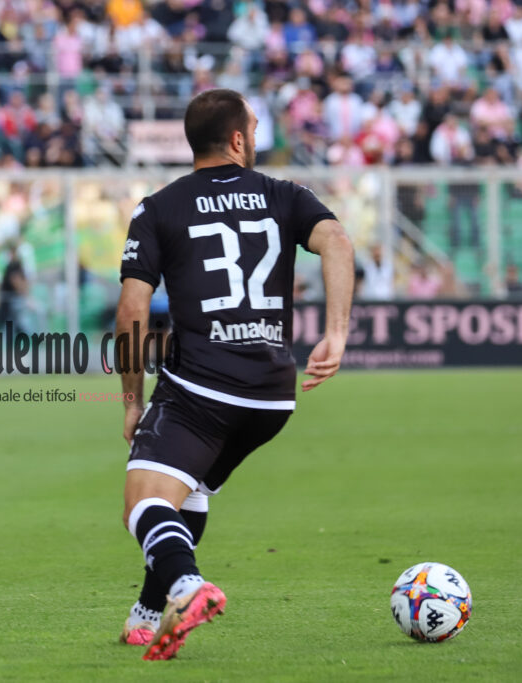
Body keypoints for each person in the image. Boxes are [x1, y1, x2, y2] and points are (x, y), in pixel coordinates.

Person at [115, 89, 354, 660]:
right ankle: (146, 616)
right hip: (272, 397)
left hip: (201, 386)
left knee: (142, 503)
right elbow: (338, 243)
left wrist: (131, 400)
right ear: (239, 139)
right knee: (189, 490)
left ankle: (187, 587)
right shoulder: (286, 194)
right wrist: (337, 333)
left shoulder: (159, 207)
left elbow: (132, 310)